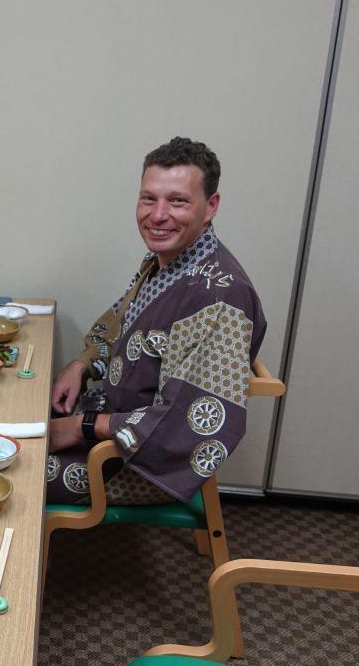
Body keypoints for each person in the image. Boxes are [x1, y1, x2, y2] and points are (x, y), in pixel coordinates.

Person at [47, 137, 266, 505]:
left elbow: (182, 424)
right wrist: (82, 364)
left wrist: (81, 427)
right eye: (149, 198)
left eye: (178, 201)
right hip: (111, 419)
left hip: (138, 462)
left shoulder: (218, 296)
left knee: (11, 467)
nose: (158, 215)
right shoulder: (169, 261)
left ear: (210, 206)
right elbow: (123, 323)